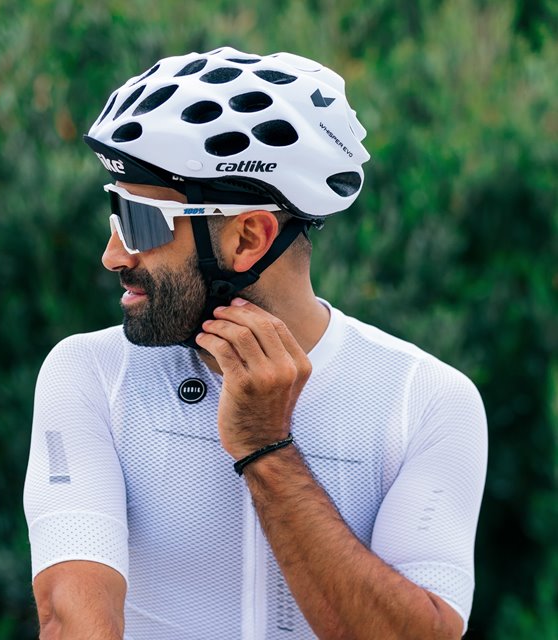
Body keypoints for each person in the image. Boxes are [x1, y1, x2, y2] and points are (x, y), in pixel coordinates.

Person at [24, 47, 487, 640]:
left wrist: (267, 448)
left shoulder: (425, 399)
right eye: (115, 214)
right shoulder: (89, 372)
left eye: (139, 221)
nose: (113, 255)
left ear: (248, 237)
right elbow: (72, 620)